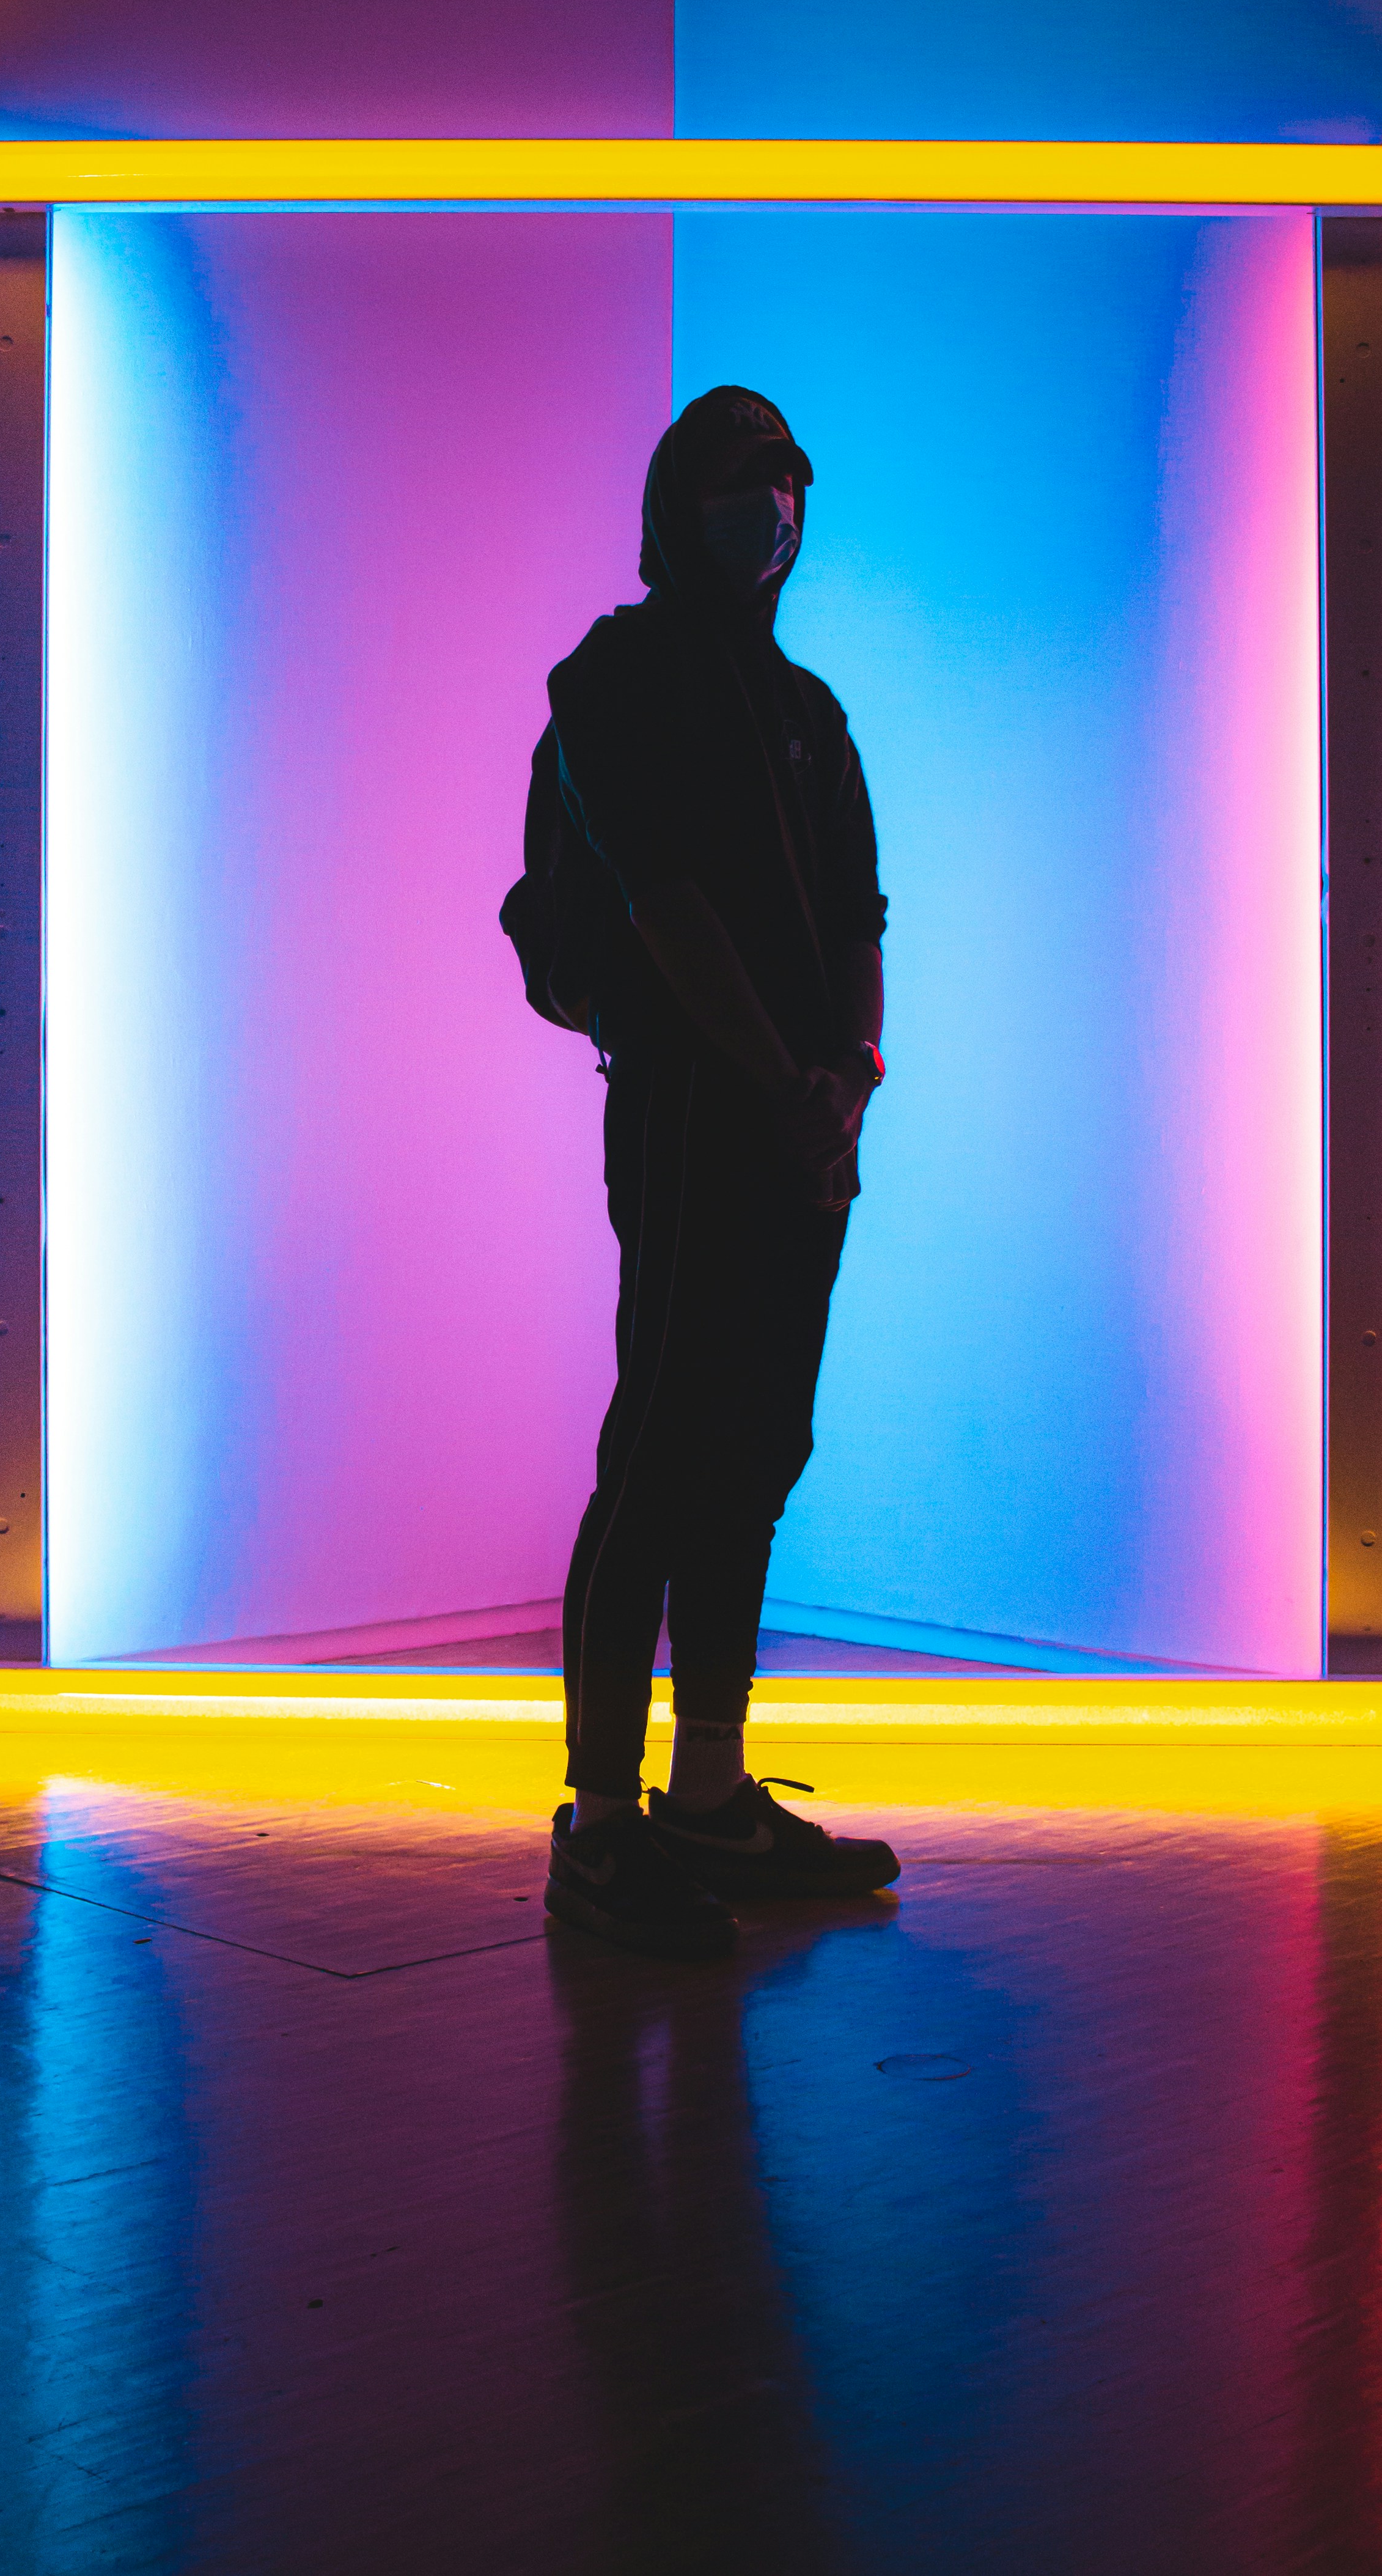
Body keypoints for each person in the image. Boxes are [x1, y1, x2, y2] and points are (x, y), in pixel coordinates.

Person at [537, 386, 901, 1959]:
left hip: (795, 1128)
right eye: (743, 482)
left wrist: (843, 1087)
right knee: (665, 1451)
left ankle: (704, 1795)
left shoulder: (807, 711)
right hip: (695, 1121)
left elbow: (860, 914)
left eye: (787, 482)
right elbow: (665, 904)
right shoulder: (620, 681)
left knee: (752, 1450)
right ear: (674, 507)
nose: (772, 510)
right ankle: (600, 1822)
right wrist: (789, 1087)